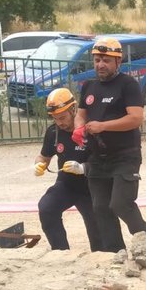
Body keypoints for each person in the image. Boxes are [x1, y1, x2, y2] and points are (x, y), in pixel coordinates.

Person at [72, 37, 146, 253]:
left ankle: (142, 235)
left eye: (106, 60)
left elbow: (136, 118)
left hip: (125, 155)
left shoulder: (128, 85)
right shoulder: (88, 86)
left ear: (118, 62)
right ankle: (115, 251)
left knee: (120, 203)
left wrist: (103, 126)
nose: (100, 65)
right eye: (97, 60)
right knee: (100, 207)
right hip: (96, 157)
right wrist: (79, 128)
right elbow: (81, 116)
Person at [34, 88, 103, 251]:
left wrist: (83, 168)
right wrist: (39, 164)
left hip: (92, 187)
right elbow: (43, 156)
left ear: (73, 109)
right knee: (46, 207)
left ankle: (100, 256)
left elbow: (104, 162)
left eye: (63, 117)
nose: (59, 123)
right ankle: (61, 252)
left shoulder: (90, 129)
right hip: (67, 184)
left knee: (98, 231)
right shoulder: (53, 132)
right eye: (55, 118)